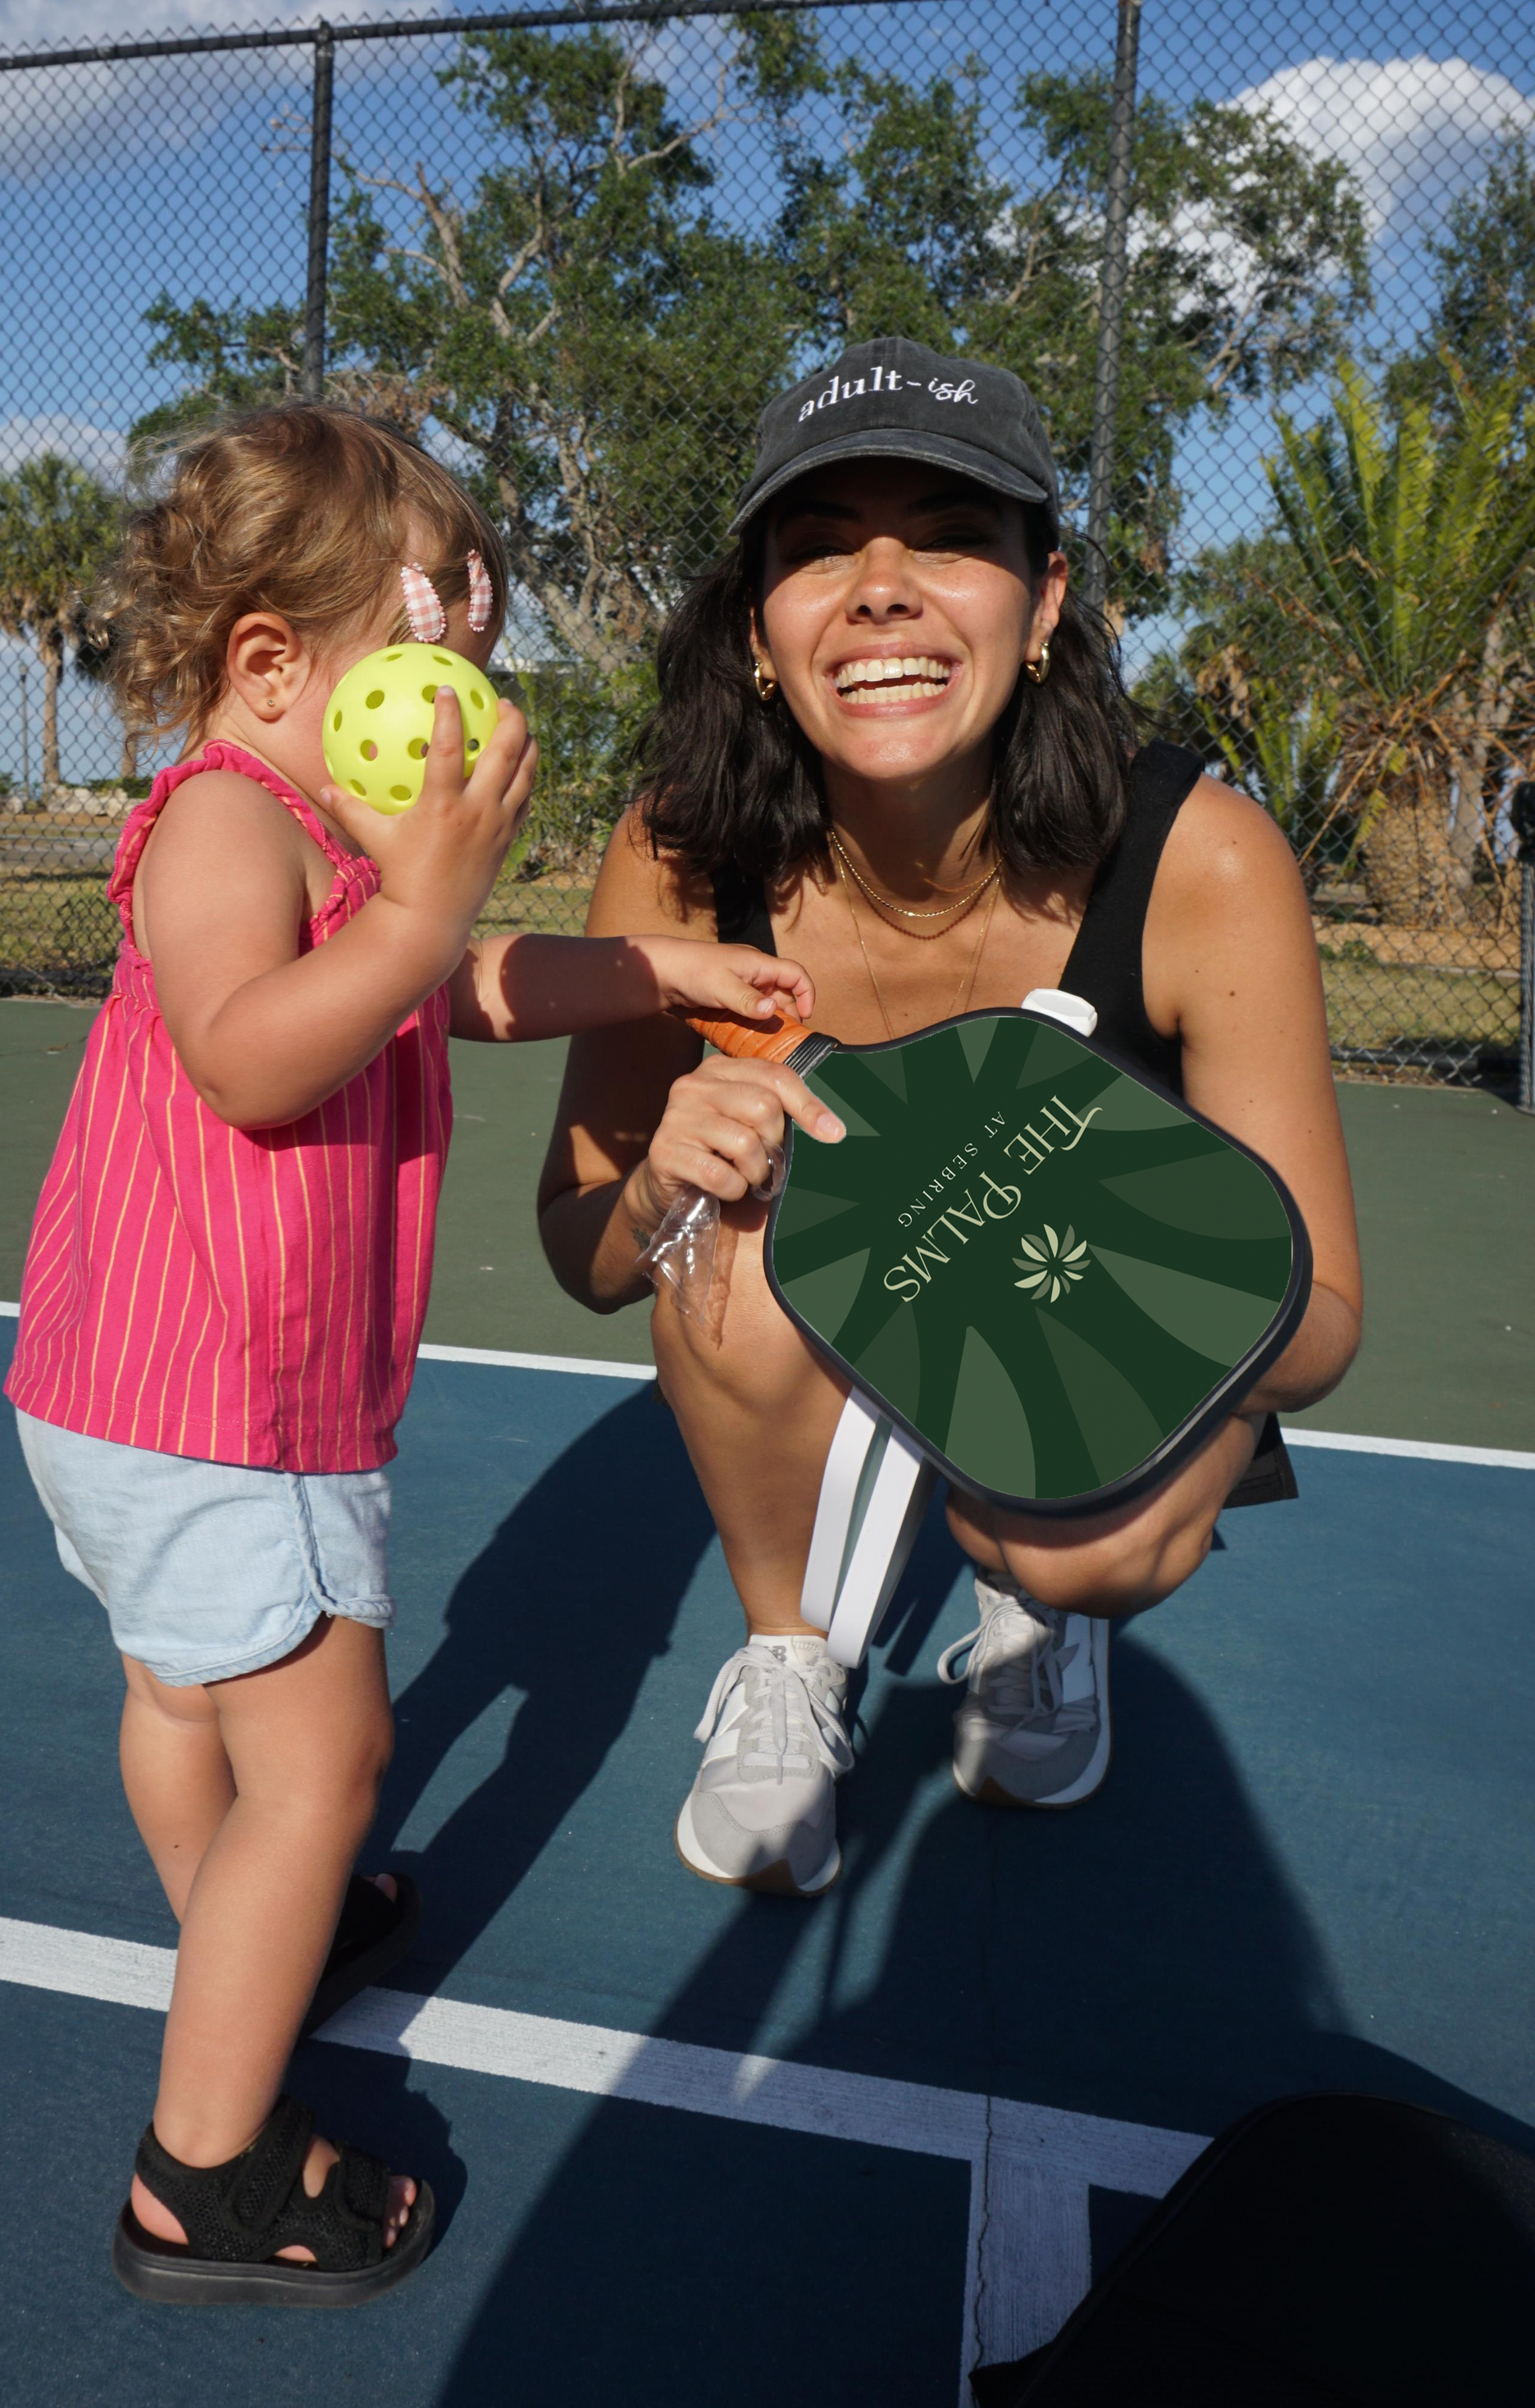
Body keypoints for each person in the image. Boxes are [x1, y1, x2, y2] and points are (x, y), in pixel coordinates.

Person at [6, 404, 811, 2303]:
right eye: (428, 664)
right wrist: (435, 900)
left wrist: (658, 974)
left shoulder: (310, 834)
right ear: (271, 664)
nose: (458, 716)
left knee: (192, 1699)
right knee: (328, 1754)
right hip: (221, 1401)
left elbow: (446, 981)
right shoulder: (220, 816)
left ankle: (242, 1925)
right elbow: (251, 1050)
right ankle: (204, 2177)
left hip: (132, 1385)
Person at [537, 337, 1363, 1896]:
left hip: (1094, 1309)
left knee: (1070, 1546)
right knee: (726, 1237)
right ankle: (790, 1651)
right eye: (823, 541)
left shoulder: (1199, 855)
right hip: (830, 1295)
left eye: (951, 533)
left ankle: (1038, 1618)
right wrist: (661, 1185)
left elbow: (1315, 1316)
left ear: (1044, 601)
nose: (883, 584)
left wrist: (1082, 1378)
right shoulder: (680, 851)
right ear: (761, 633)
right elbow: (586, 1251)